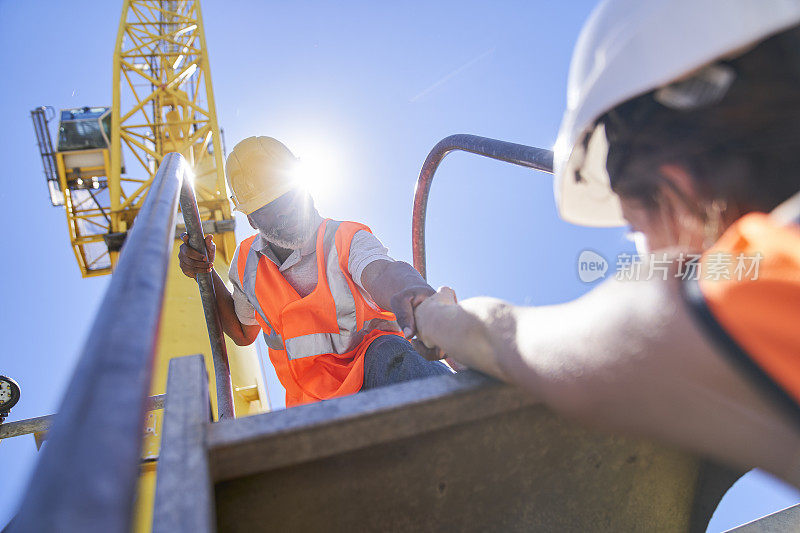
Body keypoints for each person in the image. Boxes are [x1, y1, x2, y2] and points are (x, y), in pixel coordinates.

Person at [413, 0, 800, 486]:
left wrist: (437, 317)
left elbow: (502, 337)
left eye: (637, 229)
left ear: (673, 187)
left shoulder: (750, 291)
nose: (647, 255)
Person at [179, 136, 450, 407]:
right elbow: (241, 332)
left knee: (394, 355)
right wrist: (204, 270)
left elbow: (382, 273)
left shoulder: (345, 238)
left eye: (287, 195)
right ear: (251, 219)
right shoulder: (246, 264)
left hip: (377, 373)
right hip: (311, 407)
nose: (285, 211)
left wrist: (415, 296)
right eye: (267, 208)